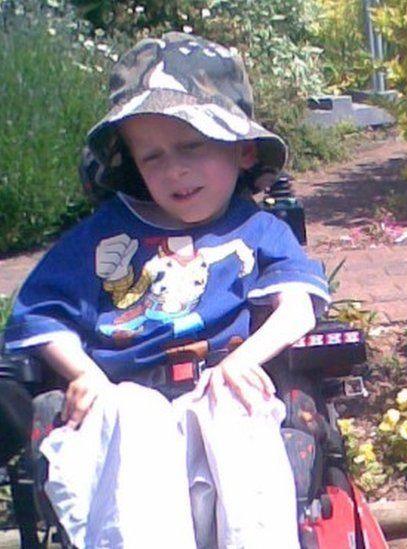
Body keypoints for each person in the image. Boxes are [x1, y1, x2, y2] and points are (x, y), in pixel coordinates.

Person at [3, 32, 330, 548]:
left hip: (220, 388)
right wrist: (85, 375)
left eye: (191, 146)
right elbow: (42, 317)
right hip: (126, 403)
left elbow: (298, 307)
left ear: (242, 150)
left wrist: (246, 361)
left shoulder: (259, 229)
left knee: (240, 410)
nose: (174, 170)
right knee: (134, 415)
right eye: (152, 157)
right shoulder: (100, 238)